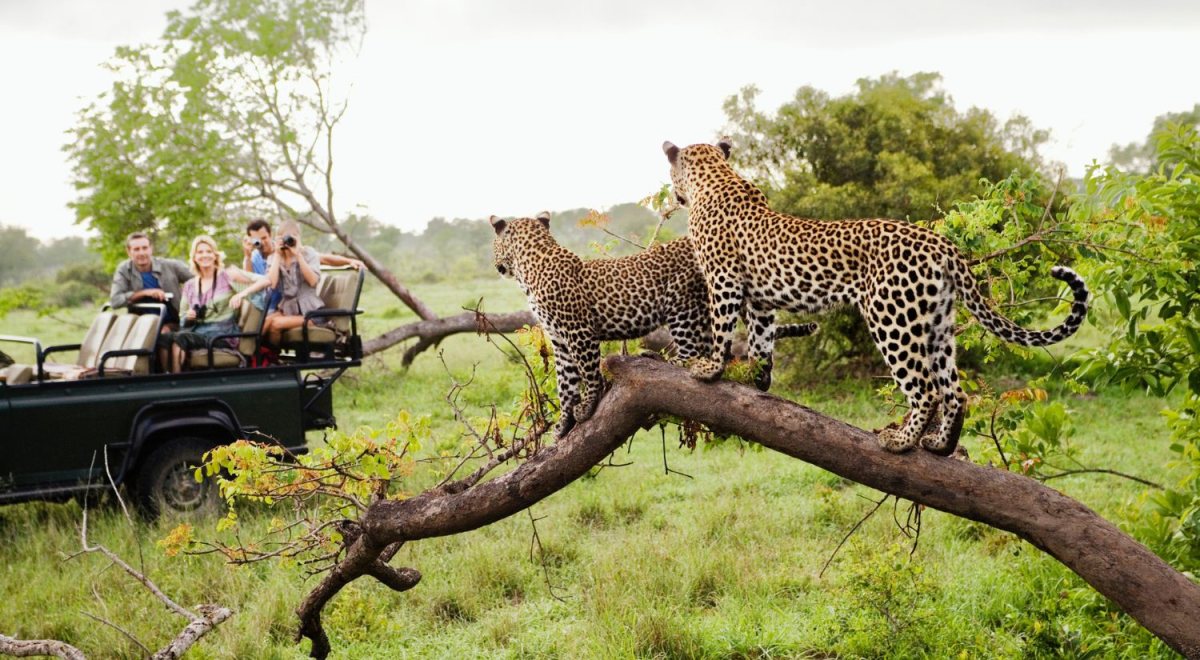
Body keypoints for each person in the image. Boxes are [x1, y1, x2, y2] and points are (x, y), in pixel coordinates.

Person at [166, 235, 271, 373]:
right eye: (200, 252)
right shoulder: (189, 285)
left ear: (215, 255)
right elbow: (183, 320)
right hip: (198, 332)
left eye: (209, 251)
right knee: (164, 338)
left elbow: (265, 281)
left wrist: (241, 294)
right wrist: (190, 316)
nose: (205, 255)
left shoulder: (227, 276)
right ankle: (166, 379)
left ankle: (176, 383)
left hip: (221, 335)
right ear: (194, 257)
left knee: (181, 338)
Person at [242, 219, 364, 314]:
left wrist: (348, 261)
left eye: (264, 238)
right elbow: (249, 281)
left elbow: (322, 258)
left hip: (286, 304)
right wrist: (247, 257)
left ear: (271, 235)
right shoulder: (254, 258)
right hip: (268, 305)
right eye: (257, 240)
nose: (262, 243)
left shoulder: (288, 247)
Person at [261, 221, 330, 352]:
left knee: (276, 324)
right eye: (285, 237)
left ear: (298, 238)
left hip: (312, 314)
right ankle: (255, 360)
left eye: (292, 237)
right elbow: (272, 284)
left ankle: (273, 361)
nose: (288, 241)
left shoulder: (308, 253)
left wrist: (298, 255)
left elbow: (313, 281)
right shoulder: (274, 258)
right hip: (288, 311)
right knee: (263, 324)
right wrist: (277, 254)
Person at [110, 232, 192, 328]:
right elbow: (115, 301)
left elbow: (200, 279)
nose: (141, 253)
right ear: (129, 252)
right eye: (136, 249)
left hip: (173, 322)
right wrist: (144, 293)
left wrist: (190, 301)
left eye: (145, 248)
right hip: (140, 324)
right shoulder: (124, 269)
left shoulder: (170, 266)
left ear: (151, 249)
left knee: (161, 334)